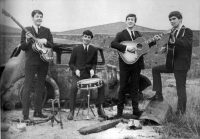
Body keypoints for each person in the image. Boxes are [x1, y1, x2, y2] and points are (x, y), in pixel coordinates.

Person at [110, 14, 160, 118]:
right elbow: (113, 44)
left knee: (135, 87)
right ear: (126, 22)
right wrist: (126, 48)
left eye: (132, 20)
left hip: (136, 64)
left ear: (135, 22)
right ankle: (119, 112)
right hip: (125, 65)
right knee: (123, 87)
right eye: (128, 19)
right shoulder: (121, 34)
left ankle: (135, 111)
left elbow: (143, 47)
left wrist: (154, 41)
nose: (130, 21)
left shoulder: (138, 34)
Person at [149, 11, 193, 115]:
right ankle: (158, 94)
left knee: (180, 88)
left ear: (180, 19)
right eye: (170, 19)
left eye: (174, 19)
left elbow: (187, 44)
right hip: (171, 63)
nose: (171, 21)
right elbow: (170, 44)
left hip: (181, 65)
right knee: (155, 69)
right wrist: (165, 47)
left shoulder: (187, 31)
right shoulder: (172, 31)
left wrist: (174, 39)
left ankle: (181, 112)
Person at [20, 10, 53, 121]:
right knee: (27, 87)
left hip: (44, 61)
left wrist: (45, 41)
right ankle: (25, 115)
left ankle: (38, 112)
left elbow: (51, 44)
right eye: (37, 16)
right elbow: (23, 47)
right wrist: (28, 40)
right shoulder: (26, 30)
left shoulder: (46, 30)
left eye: (41, 16)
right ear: (32, 18)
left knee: (40, 87)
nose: (39, 18)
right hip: (31, 62)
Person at [67, 30, 108, 120]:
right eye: (85, 36)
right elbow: (71, 63)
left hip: (89, 74)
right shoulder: (76, 49)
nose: (86, 39)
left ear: (91, 39)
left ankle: (100, 109)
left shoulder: (94, 50)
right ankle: (71, 111)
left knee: (102, 84)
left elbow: (94, 63)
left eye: (89, 37)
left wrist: (93, 70)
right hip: (78, 74)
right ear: (82, 37)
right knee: (73, 87)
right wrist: (76, 70)